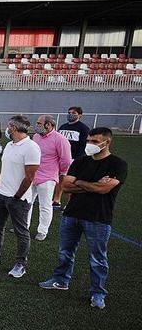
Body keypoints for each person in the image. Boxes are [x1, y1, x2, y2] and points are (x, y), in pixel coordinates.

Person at [38, 128, 127, 310]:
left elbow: (104, 190)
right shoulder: (80, 162)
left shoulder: (117, 164)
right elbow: (66, 186)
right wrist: (91, 185)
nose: (90, 144)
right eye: (89, 141)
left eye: (95, 142)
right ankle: (61, 280)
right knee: (65, 252)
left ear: (106, 143)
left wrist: (79, 183)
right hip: (72, 214)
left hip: (98, 218)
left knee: (98, 258)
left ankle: (97, 293)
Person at [0, 115, 40, 278]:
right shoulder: (10, 145)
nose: (7, 128)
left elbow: (30, 177)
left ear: (15, 128)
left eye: (9, 125)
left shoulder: (31, 147)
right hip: (0, 195)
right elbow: (3, 168)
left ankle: (20, 264)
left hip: (18, 199)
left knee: (21, 231)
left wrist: (17, 196)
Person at [26, 115, 72, 241]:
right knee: (26, 202)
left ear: (49, 125)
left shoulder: (60, 139)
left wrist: (59, 172)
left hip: (47, 178)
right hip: (32, 175)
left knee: (45, 205)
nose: (37, 125)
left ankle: (42, 231)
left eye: (39, 123)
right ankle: (24, 226)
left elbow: (66, 160)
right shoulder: (36, 137)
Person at [53, 106, 91, 210]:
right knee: (60, 179)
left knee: (70, 182)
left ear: (80, 115)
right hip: (60, 159)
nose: (70, 114)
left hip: (74, 159)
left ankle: (70, 204)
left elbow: (84, 145)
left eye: (73, 113)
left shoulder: (84, 129)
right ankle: (56, 200)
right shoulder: (62, 127)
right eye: (69, 112)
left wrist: (77, 159)